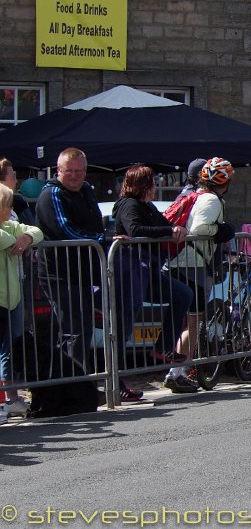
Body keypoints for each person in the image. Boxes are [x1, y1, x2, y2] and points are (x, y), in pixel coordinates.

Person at [35, 148, 143, 403]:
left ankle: (93, 385)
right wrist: (101, 240)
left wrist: (103, 238)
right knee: (73, 332)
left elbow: (96, 224)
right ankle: (70, 390)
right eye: (69, 170)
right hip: (59, 275)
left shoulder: (85, 190)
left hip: (85, 273)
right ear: (58, 170)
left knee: (91, 328)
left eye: (79, 170)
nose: (74, 175)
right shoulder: (51, 194)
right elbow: (64, 231)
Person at [163, 157, 236, 393]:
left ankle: (179, 369)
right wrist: (221, 230)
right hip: (192, 263)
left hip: (181, 261)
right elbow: (201, 229)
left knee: (189, 320)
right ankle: (179, 371)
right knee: (193, 321)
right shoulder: (212, 200)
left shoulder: (195, 195)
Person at [112, 166, 194, 372]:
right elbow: (135, 230)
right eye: (153, 184)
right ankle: (115, 379)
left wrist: (176, 228)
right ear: (144, 186)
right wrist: (169, 230)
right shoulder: (129, 205)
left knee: (182, 294)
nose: (155, 188)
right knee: (124, 325)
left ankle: (163, 346)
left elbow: (164, 223)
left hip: (147, 271)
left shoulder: (146, 206)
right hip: (131, 272)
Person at [0, 184, 43, 420]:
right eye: (7, 206)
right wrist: (17, 237)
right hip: (1, 299)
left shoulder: (9, 225)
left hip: (11, 299)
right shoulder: (6, 230)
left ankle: (11, 398)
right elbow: (5, 239)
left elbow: (36, 231)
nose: (11, 210)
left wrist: (26, 237)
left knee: (10, 351)